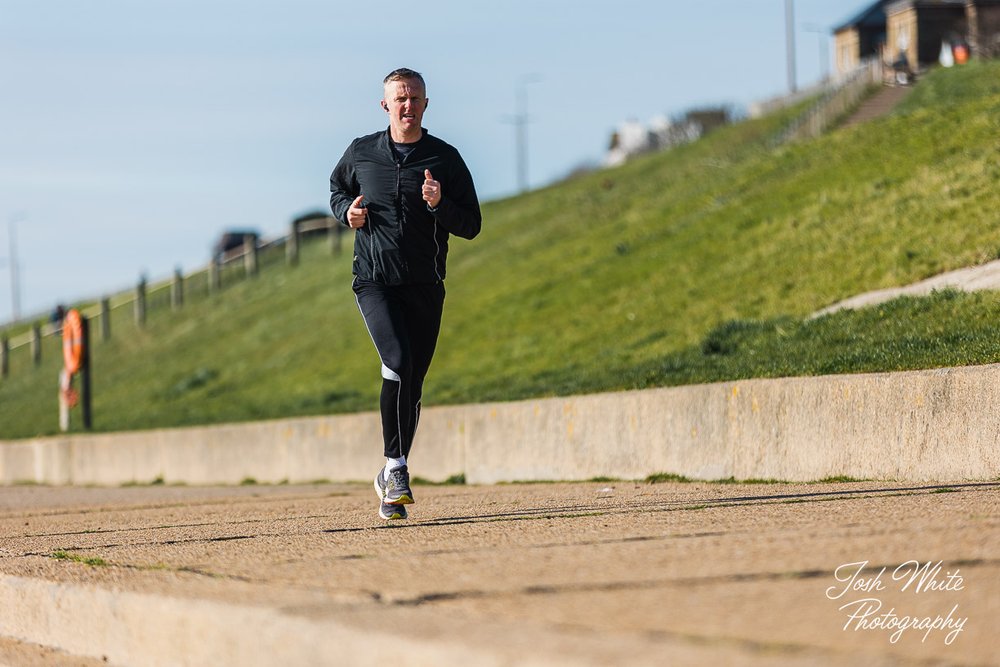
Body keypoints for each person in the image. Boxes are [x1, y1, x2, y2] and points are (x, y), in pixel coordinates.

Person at [329, 68, 482, 520]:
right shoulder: (362, 152)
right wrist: (347, 214)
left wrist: (439, 204)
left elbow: (471, 224)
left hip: (425, 285)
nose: (407, 105)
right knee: (396, 361)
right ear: (385, 106)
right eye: (399, 98)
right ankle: (396, 467)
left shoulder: (445, 159)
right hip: (374, 280)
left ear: (426, 103)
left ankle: (390, 482)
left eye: (414, 97)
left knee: (411, 381)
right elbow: (338, 191)